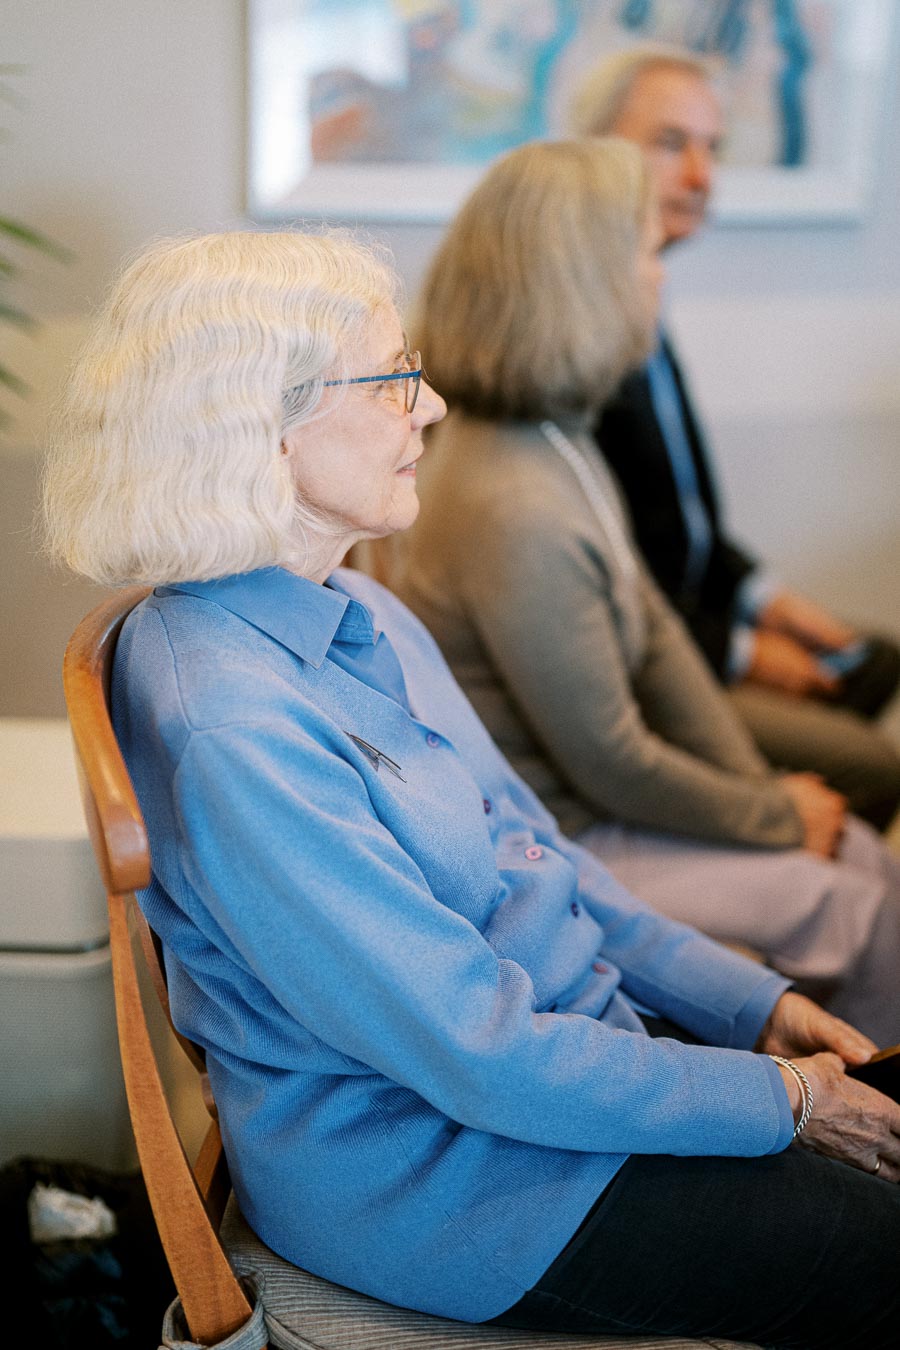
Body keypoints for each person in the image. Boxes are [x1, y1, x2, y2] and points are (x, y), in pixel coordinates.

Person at [42, 229, 900, 1348]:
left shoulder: (361, 610)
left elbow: (545, 857)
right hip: (455, 1186)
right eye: (395, 378)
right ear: (266, 424)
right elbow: (478, 1052)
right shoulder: (233, 724)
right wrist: (786, 1102)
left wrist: (754, 1007)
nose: (434, 406)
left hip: (557, 1086)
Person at [399, 137, 900, 1048]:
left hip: (605, 816)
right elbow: (611, 760)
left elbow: (658, 633)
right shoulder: (512, 501)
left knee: (863, 855)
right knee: (856, 912)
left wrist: (761, 793)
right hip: (567, 843)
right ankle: (863, 1143)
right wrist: (774, 815)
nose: (657, 276)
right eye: (640, 250)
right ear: (580, 281)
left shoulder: (556, 438)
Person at [568, 47, 900, 832]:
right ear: (594, 153)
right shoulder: (581, 328)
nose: (701, 177)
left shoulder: (646, 293)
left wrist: (770, 601)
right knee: (874, 768)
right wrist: (744, 653)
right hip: (645, 665)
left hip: (693, 622)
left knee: (875, 656)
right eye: (671, 143)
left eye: (712, 149)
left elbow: (681, 517)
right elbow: (611, 576)